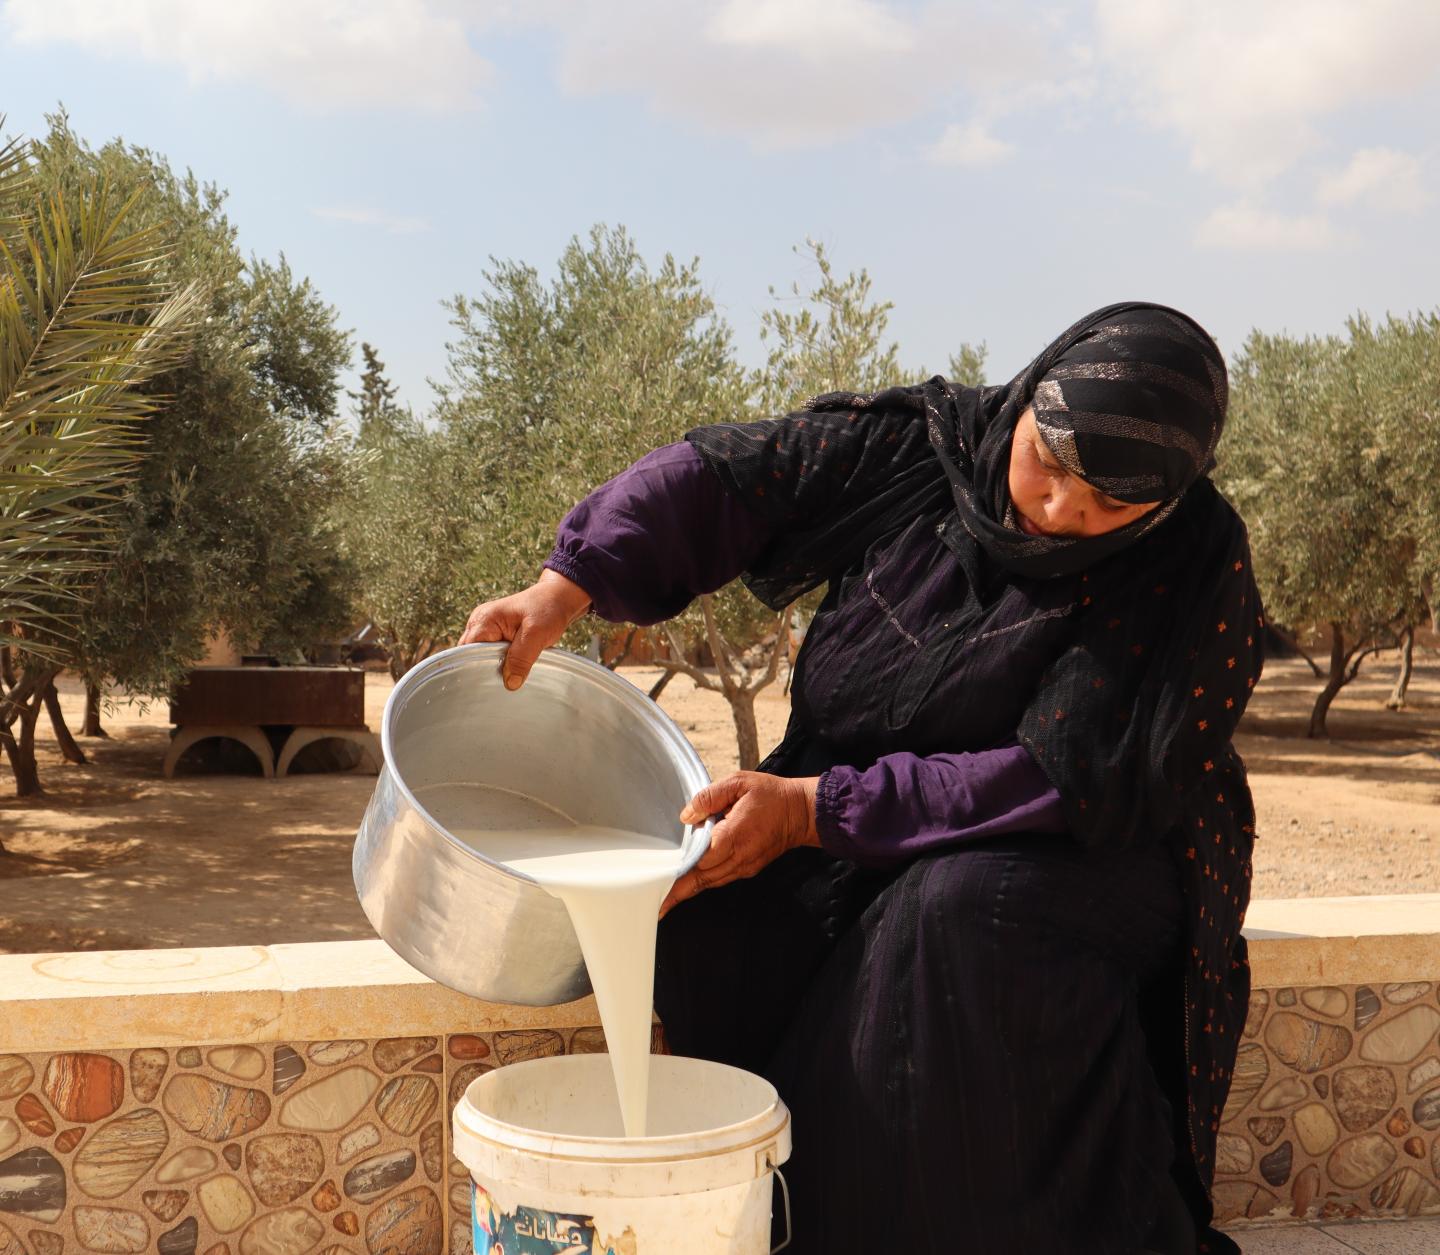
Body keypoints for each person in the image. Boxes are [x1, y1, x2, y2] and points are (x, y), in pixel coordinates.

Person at [460, 302, 1261, 1255]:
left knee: (956, 917)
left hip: (1085, 837)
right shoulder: (930, 450)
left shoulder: (1190, 568)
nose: (1058, 511)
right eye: (1049, 464)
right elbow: (732, 477)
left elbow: (1058, 773)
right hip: (857, 805)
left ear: (1163, 503)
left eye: (1106, 505)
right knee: (710, 912)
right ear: (1031, 403)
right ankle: (769, 1211)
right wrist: (571, 578)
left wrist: (815, 811)